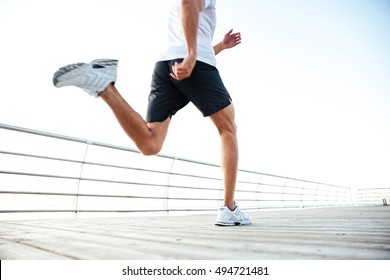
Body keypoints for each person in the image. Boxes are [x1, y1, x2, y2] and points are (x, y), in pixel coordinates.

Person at [53, 0, 251, 226]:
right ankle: (229, 208)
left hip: (166, 65)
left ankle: (105, 86)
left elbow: (190, 23)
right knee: (228, 129)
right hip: (194, 63)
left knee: (150, 143)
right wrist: (192, 54)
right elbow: (188, 2)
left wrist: (219, 47)